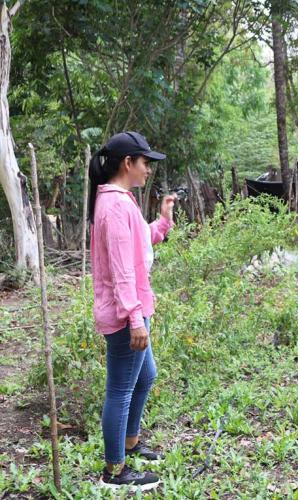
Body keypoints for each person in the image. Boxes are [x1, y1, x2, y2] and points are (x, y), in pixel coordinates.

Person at [89, 131, 176, 490]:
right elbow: (122, 271)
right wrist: (135, 319)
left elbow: (144, 240)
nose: (149, 171)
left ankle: (130, 443)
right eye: (145, 163)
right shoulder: (113, 205)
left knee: (146, 376)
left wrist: (165, 219)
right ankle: (115, 471)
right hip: (128, 315)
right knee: (120, 390)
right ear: (128, 163)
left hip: (136, 309)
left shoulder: (122, 201)